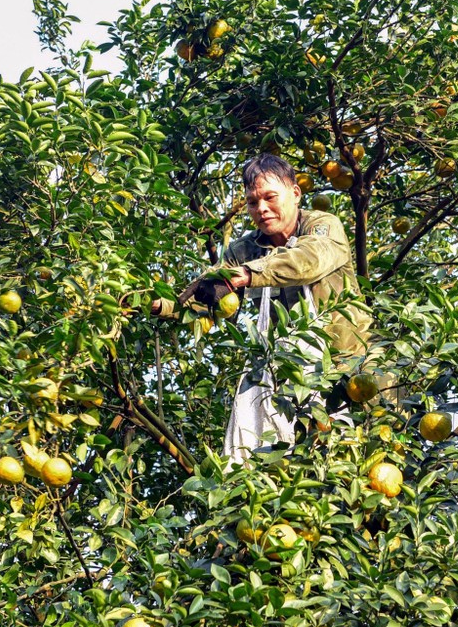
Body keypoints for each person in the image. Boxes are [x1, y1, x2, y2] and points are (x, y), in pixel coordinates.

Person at [152, 153, 373, 465]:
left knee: (348, 460)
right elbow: (203, 296)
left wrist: (249, 275)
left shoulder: (323, 226)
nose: (262, 209)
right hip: (285, 376)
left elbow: (307, 260)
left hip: (346, 369)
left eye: (270, 197)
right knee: (274, 465)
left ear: (295, 194)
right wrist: (159, 305)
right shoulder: (243, 250)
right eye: (253, 202)